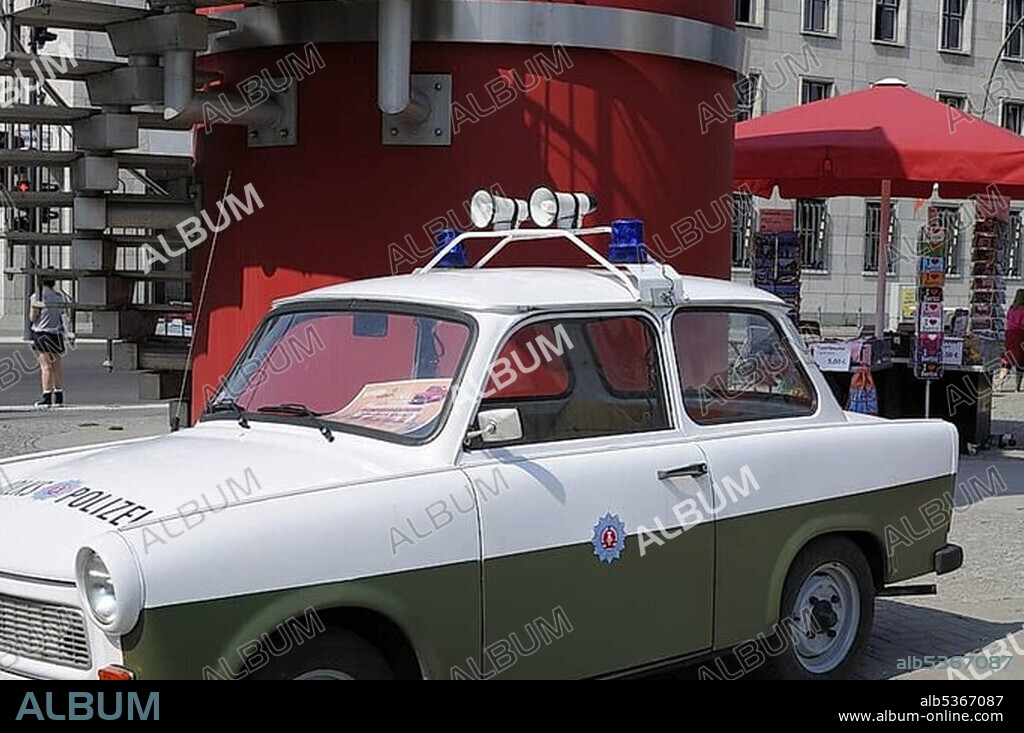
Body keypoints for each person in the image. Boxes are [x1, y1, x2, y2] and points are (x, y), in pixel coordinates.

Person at [28, 278, 74, 407]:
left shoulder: (37, 297)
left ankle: (47, 395)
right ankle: (59, 396)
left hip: (42, 333)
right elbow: (63, 316)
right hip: (56, 333)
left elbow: (33, 317)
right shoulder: (60, 297)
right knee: (56, 367)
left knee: (45, 366)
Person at [1005, 289, 1024, 391]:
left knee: (1007, 360)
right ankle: (1017, 387)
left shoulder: (1011, 309)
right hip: (1021, 335)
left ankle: (999, 384)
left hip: (1009, 335)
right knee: (1020, 362)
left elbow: (1007, 320)